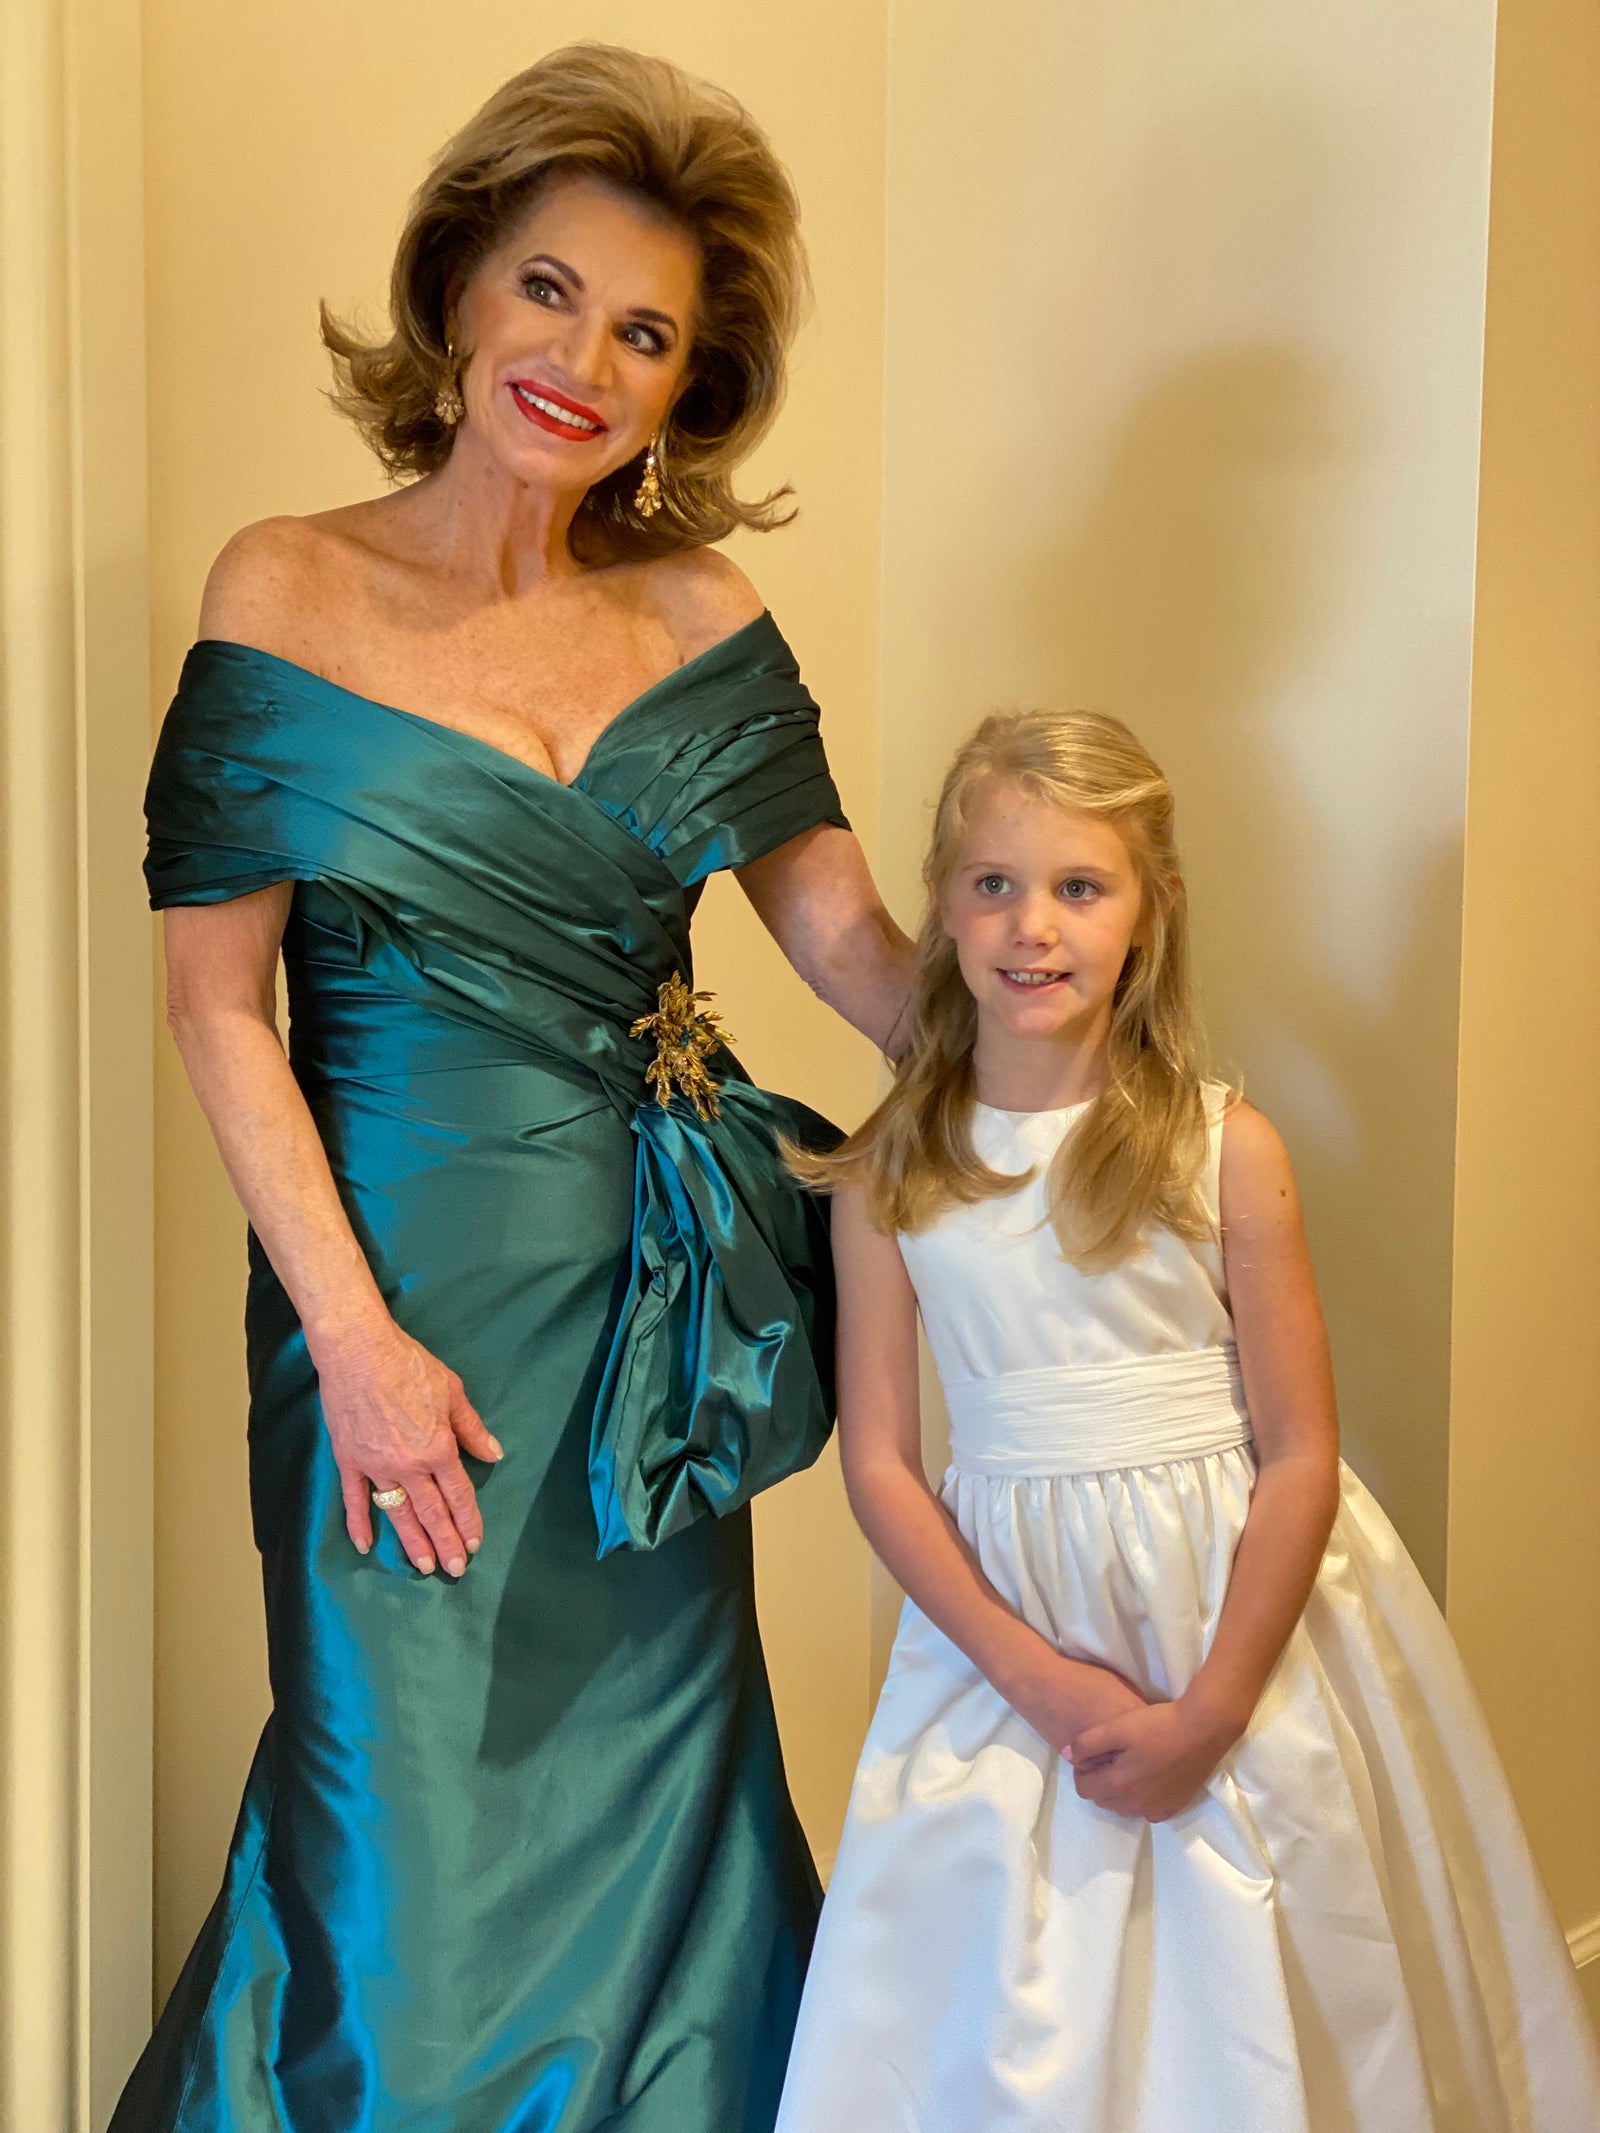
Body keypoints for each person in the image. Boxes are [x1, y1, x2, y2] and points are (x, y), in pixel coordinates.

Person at [114, 43, 910, 2133]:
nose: (580, 357)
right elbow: (218, 1009)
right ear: (462, 288)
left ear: (683, 389)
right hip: (396, 1321)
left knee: (663, 1822)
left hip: (648, 1342)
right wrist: (355, 1342)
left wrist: (1080, 1038)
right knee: (403, 1858)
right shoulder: (282, 586)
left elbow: (848, 952)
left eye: (642, 332)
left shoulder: (697, 612)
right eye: (548, 290)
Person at [776, 709, 1600, 2130]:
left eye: (1080, 888)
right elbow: (883, 1467)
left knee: (1269, 1955)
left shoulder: (1225, 1147)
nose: (1032, 926)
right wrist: (1038, 1679)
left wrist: (1214, 1705)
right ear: (944, 910)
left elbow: (1299, 1454)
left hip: (1238, 1620)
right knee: (1019, 1987)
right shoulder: (888, 1173)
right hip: (1007, 1640)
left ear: (1150, 915)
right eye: (992, 884)